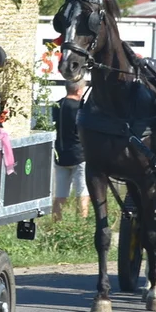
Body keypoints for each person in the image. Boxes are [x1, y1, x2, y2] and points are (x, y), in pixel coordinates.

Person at [52, 79, 89, 221]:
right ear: (79, 90)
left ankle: (56, 224)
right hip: (79, 155)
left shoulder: (57, 105)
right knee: (82, 193)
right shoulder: (80, 107)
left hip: (60, 154)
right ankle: (81, 224)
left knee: (60, 194)